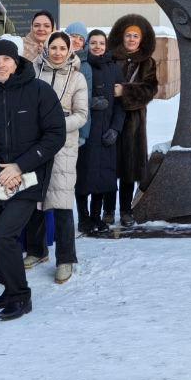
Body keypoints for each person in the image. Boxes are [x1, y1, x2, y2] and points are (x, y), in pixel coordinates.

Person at [0, 39, 66, 321]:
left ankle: (21, 296)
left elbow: (55, 134)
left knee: (4, 235)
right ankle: (10, 287)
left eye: (6, 59)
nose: (1, 65)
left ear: (16, 61)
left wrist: (19, 166)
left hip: (28, 180)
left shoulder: (39, 91)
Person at [25, 31, 88, 282]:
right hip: (34, 142)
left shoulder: (78, 77)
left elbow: (82, 115)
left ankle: (66, 258)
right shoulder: (33, 71)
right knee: (34, 197)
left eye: (63, 48)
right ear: (47, 48)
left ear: (69, 50)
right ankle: (37, 250)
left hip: (63, 143)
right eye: (54, 47)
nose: (58, 52)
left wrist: (55, 126)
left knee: (61, 201)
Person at [111, 14, 159, 228]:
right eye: (128, 35)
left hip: (134, 122)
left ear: (141, 40)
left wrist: (126, 91)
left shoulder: (147, 63)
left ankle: (126, 210)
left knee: (129, 168)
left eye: (135, 36)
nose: (131, 39)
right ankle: (107, 210)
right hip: (110, 118)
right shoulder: (110, 57)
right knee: (109, 167)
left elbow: (150, 89)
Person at [77, 30, 124, 235]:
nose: (97, 46)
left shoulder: (114, 68)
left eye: (101, 43)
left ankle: (96, 217)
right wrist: (89, 103)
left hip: (106, 133)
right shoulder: (80, 66)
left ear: (106, 45)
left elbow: (122, 104)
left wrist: (115, 128)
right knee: (83, 178)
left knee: (102, 178)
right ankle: (84, 218)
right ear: (88, 44)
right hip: (85, 132)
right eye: (93, 43)